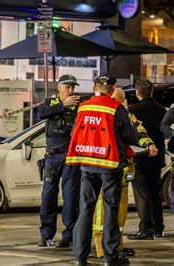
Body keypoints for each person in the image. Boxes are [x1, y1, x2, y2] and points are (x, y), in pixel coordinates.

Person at [67, 74, 137, 265]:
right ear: (113, 88)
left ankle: (80, 257)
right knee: (110, 210)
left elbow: (76, 133)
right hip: (109, 166)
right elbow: (130, 136)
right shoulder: (115, 108)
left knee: (85, 209)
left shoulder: (83, 107)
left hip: (87, 165)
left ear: (95, 87)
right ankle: (110, 256)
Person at [92, 87, 158, 259]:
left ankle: (117, 246)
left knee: (120, 210)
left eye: (120, 100)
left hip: (123, 167)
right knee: (102, 209)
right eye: (115, 99)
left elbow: (139, 132)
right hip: (104, 168)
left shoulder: (127, 115)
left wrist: (148, 144)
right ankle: (101, 247)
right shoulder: (101, 114)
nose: (117, 103)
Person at [37, 74, 81, 248]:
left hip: (71, 157)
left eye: (73, 87)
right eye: (67, 87)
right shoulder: (50, 102)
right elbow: (41, 113)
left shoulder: (79, 105)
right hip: (53, 157)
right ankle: (46, 235)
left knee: (70, 197)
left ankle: (68, 236)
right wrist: (63, 105)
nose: (71, 90)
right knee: (48, 196)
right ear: (59, 88)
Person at [127, 79, 167, 240]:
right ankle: (159, 227)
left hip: (141, 157)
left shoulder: (132, 110)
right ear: (151, 92)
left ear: (137, 93)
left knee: (141, 193)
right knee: (155, 192)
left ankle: (146, 228)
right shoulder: (162, 110)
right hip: (157, 157)